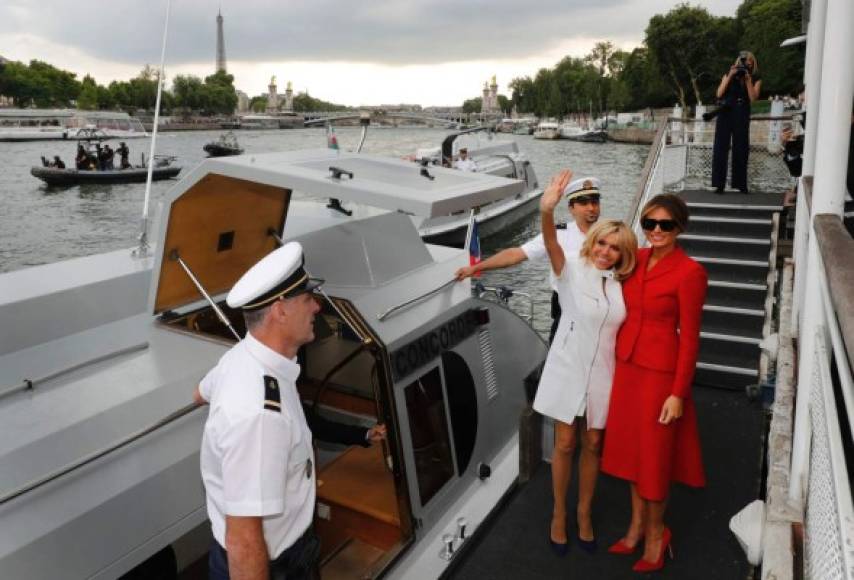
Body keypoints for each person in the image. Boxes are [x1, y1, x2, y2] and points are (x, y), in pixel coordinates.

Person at [193, 242, 386, 580]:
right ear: (280, 311)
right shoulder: (260, 416)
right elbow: (243, 540)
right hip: (271, 564)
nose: (316, 306)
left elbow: (200, 393)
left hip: (286, 547)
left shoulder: (242, 357)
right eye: (307, 299)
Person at [601, 194, 708, 573]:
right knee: (634, 456)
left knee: (655, 459)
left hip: (660, 376)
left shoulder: (690, 272)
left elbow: (691, 338)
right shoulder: (634, 260)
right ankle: (635, 527)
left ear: (679, 226)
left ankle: (656, 534)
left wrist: (678, 393)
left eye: (665, 224)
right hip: (627, 368)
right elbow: (594, 259)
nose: (656, 231)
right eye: (649, 224)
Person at [533, 169, 637, 557]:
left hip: (604, 374)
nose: (605, 251)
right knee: (564, 443)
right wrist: (547, 210)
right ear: (591, 243)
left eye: (614, 247)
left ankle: (584, 513)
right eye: (601, 243)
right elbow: (550, 242)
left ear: (622, 252)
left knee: (593, 443)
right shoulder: (570, 270)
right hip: (568, 367)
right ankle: (559, 513)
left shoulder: (621, 283)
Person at [455, 176, 602, 343]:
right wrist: (476, 267)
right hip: (567, 308)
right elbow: (517, 254)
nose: (591, 208)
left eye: (595, 202)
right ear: (571, 208)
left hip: (601, 308)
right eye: (584, 203)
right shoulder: (559, 234)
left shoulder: (611, 234)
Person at [711, 51, 761, 194]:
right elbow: (719, 93)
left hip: (742, 113)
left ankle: (741, 184)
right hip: (725, 112)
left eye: (750, 61)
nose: (747, 63)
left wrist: (747, 80)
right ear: (739, 60)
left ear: (753, 63)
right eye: (745, 60)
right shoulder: (729, 73)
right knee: (720, 148)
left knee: (741, 148)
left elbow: (753, 98)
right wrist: (731, 75)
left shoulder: (755, 77)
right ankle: (719, 184)